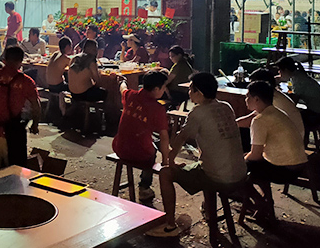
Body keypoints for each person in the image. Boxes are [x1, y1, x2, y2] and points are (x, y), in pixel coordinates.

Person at [147, 72, 246, 237]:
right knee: (204, 164)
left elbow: (180, 139)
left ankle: (170, 226)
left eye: (191, 89)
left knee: (165, 173)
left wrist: (170, 161)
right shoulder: (226, 106)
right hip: (240, 172)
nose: (188, 93)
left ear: (199, 92)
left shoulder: (198, 112)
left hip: (217, 176)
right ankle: (208, 210)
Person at [244, 80, 308, 216]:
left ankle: (260, 203)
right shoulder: (276, 112)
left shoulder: (260, 120)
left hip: (285, 170)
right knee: (253, 163)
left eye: (247, 97)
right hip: (300, 164)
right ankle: (267, 201)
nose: (245, 100)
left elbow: (255, 155)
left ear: (256, 99)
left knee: (236, 172)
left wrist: (240, 161)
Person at [0, 46, 41, 170]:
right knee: (14, 174)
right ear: (21, 61)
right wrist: (35, 125)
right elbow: (36, 107)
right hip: (14, 135)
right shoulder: (26, 81)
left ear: (4, 59)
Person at [113, 70, 170, 201]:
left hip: (120, 147)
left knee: (153, 141)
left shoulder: (131, 96)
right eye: (163, 88)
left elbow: (123, 89)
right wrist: (165, 161)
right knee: (152, 151)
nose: (164, 90)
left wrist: (122, 81)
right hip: (139, 153)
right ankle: (144, 188)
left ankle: (144, 187)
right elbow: (164, 136)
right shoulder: (157, 108)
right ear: (156, 89)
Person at [236, 69, 305, 149]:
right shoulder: (274, 95)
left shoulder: (273, 100)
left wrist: (230, 125)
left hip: (290, 143)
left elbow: (250, 120)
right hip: (295, 139)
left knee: (244, 133)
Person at [275, 56, 320, 139]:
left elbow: (293, 102)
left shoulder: (298, 80)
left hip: (319, 114)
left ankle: (302, 141)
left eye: (280, 70)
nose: (279, 72)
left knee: (293, 118)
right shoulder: (299, 75)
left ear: (286, 70)